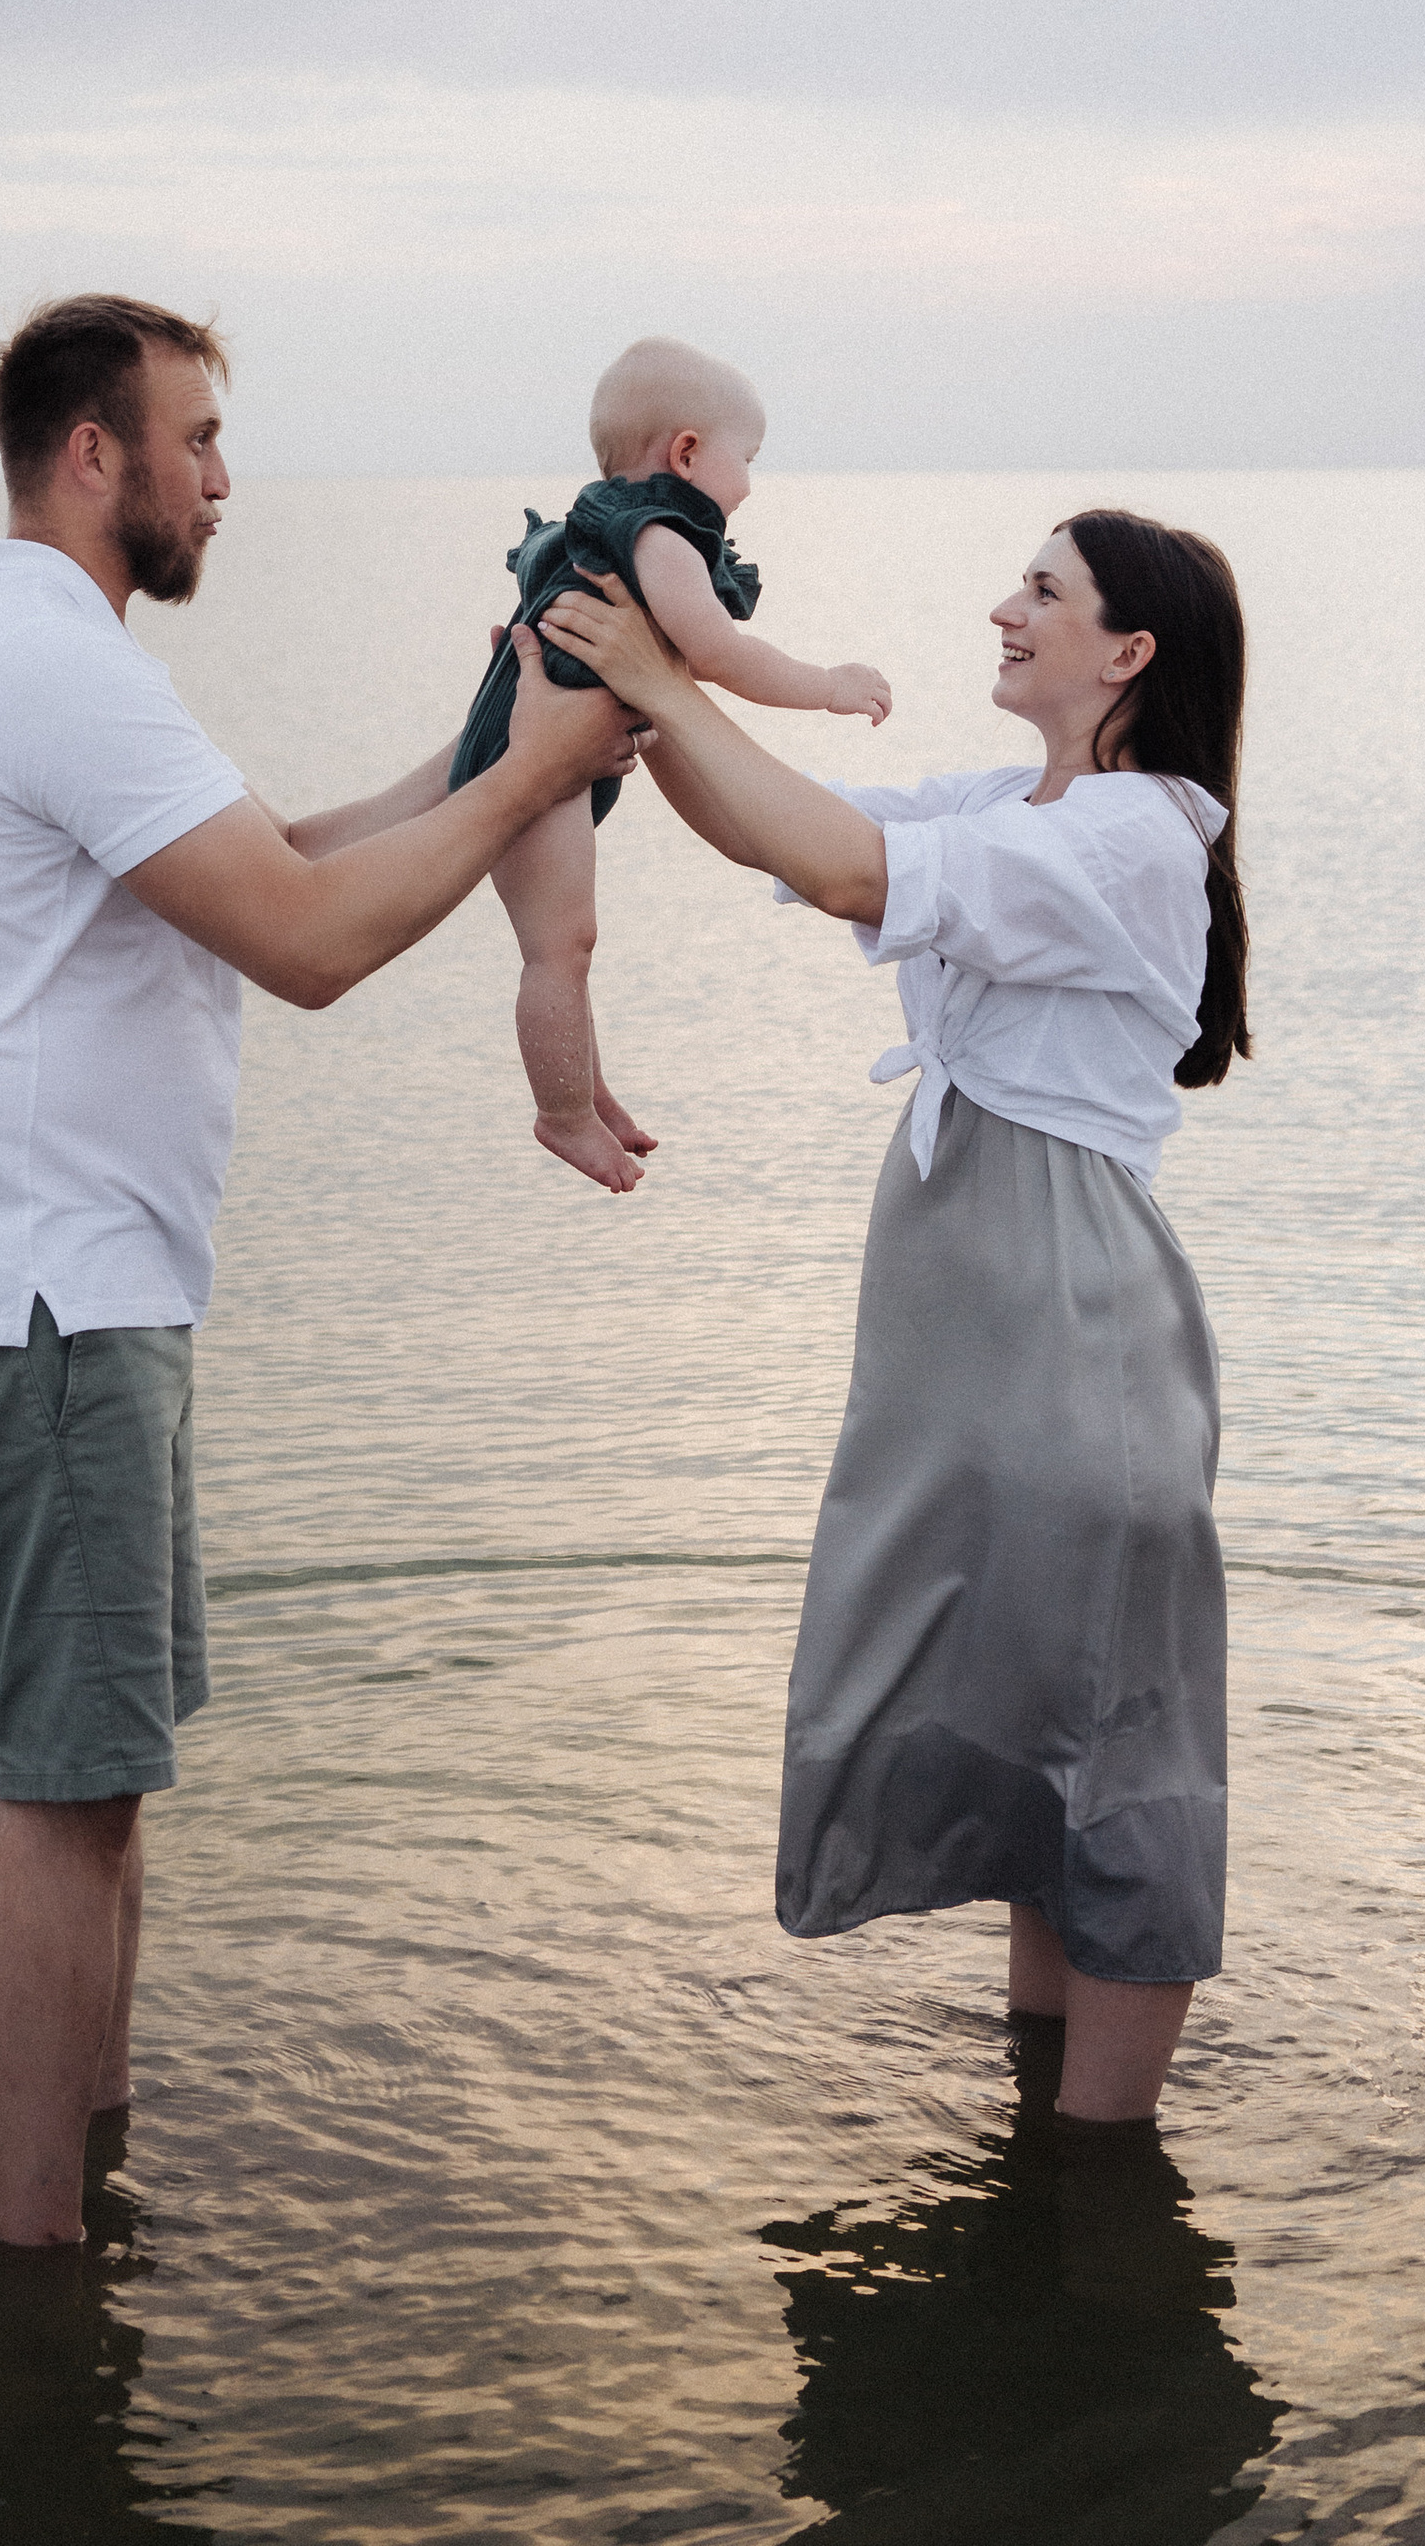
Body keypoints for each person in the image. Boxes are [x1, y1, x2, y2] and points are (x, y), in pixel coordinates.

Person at [0, 293, 639, 2251]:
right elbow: (304, 941)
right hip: (31, 1305)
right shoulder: (49, 656)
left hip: (64, 1291)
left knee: (97, 1781)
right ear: (92, 454)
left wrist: (477, 747)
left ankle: (81, 2214)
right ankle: (35, 2278)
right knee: (59, 1788)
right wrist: (535, 778)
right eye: (194, 435)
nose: (221, 475)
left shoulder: (47, 650)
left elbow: (268, 855)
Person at [536, 509, 1249, 2130]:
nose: (1004, 607)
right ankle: (1036, 2130)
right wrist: (632, 687)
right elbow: (785, 828)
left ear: (1128, 655)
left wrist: (669, 670)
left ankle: (1100, 2164)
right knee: (1025, 1705)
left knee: (1117, 1734)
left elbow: (844, 863)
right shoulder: (1014, 801)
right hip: (983, 1346)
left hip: (1078, 1336)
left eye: (1045, 594)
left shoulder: (1139, 834)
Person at [444, 336, 893, 1191]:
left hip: (544, 749)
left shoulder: (616, 520)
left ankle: (585, 1089)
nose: (751, 485)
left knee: (571, 946)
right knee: (558, 946)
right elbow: (716, 652)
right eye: (747, 460)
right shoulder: (660, 535)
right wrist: (827, 685)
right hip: (530, 761)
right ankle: (562, 1112)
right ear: (686, 452)